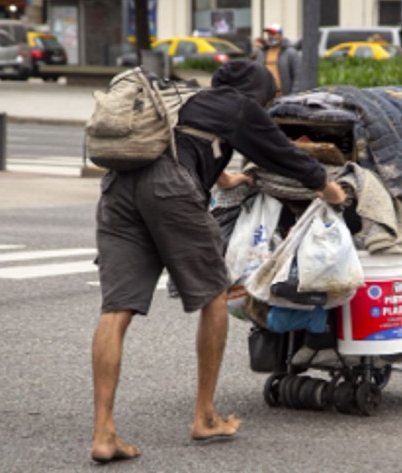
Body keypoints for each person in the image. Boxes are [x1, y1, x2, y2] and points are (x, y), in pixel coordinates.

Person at [90, 59, 345, 463]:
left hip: (119, 190)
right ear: (259, 93)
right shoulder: (242, 106)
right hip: (170, 190)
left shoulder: (190, 100)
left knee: (116, 309)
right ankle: (206, 416)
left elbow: (187, 145)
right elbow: (284, 156)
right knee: (214, 296)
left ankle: (104, 434)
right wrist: (329, 189)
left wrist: (226, 179)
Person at [253, 23, 302, 96]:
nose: (270, 36)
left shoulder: (291, 53)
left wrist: (294, 95)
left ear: (280, 35)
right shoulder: (262, 52)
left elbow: (298, 75)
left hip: (285, 96)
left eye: (273, 34)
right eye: (269, 34)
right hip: (266, 96)